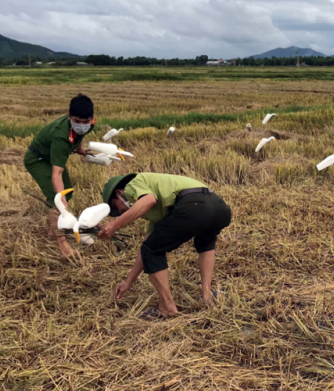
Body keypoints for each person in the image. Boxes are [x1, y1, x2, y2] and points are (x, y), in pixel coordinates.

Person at [98, 173, 232, 318]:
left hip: (193, 205)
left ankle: (167, 307)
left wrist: (114, 225)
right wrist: (128, 282)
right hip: (219, 207)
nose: (119, 212)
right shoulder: (159, 209)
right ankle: (207, 295)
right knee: (205, 243)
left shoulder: (133, 185)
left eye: (115, 206)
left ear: (119, 193)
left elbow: (148, 200)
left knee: (152, 250)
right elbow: (146, 248)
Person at [24, 94, 95, 257]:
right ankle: (61, 243)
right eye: (77, 121)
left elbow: (79, 136)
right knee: (57, 199)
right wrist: (59, 197)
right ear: (69, 116)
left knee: (67, 192)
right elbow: (57, 173)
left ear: (91, 118)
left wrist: (80, 149)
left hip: (51, 156)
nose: (82, 125)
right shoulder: (60, 137)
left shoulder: (89, 124)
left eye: (85, 121)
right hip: (38, 159)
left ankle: (53, 230)